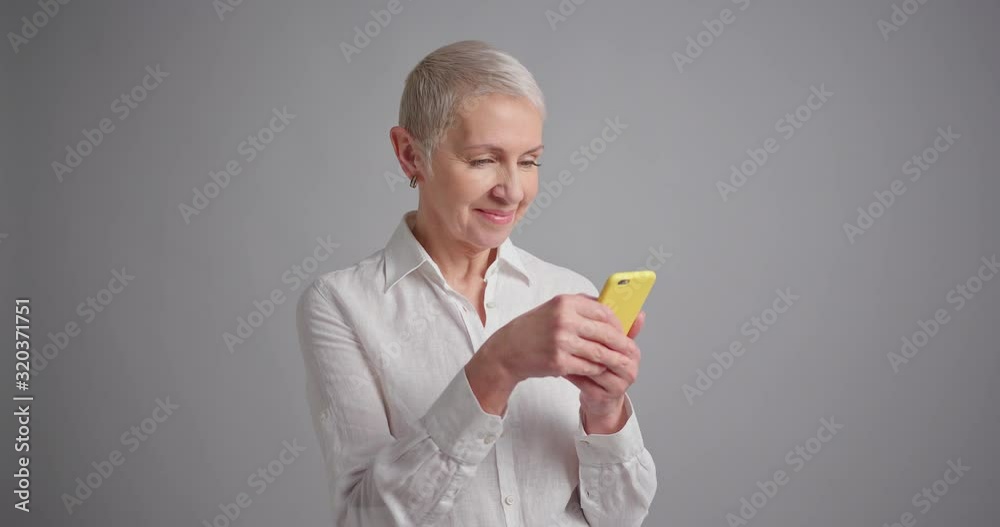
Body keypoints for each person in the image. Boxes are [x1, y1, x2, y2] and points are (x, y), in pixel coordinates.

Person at [295, 39, 656, 526]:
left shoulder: (564, 291)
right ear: (410, 155)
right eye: (483, 159)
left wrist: (605, 408)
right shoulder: (341, 304)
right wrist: (497, 366)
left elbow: (621, 519)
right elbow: (367, 519)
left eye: (529, 161)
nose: (512, 190)